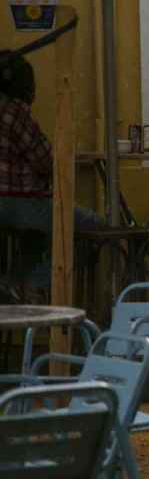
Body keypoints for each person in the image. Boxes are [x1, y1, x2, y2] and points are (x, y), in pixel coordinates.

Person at [0, 50, 104, 298]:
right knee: (94, 226)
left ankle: (12, 283)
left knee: (37, 238)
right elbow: (46, 160)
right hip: (18, 202)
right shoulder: (13, 111)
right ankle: (34, 283)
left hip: (13, 212)